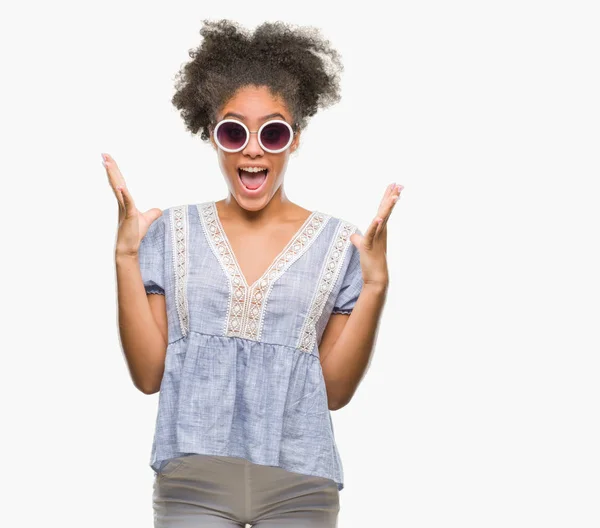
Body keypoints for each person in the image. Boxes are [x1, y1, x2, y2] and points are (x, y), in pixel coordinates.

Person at [105, 19, 402, 528]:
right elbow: (148, 376)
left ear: (295, 140)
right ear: (213, 136)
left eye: (273, 131)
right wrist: (125, 259)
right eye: (233, 130)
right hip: (191, 484)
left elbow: (334, 393)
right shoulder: (170, 234)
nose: (253, 148)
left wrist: (376, 284)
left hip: (300, 488)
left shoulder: (342, 244)